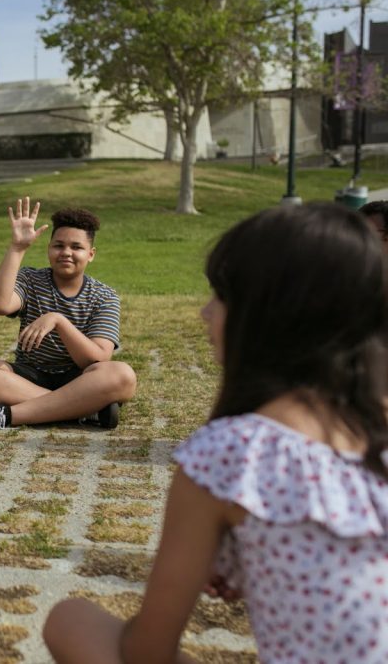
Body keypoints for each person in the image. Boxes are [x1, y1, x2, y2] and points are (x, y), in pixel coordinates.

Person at [43, 202, 388, 663]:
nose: (206, 313)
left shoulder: (232, 454)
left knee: (71, 620)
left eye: (222, 295)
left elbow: (148, 652)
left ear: (271, 315)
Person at [0, 198, 136, 430]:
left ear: (91, 254)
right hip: (29, 375)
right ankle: (80, 409)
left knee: (123, 376)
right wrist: (17, 248)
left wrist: (58, 320)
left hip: (80, 378)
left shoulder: (104, 296)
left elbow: (96, 359)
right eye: (58, 245)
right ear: (49, 248)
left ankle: (8, 416)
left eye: (77, 247)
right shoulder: (31, 279)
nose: (66, 253)